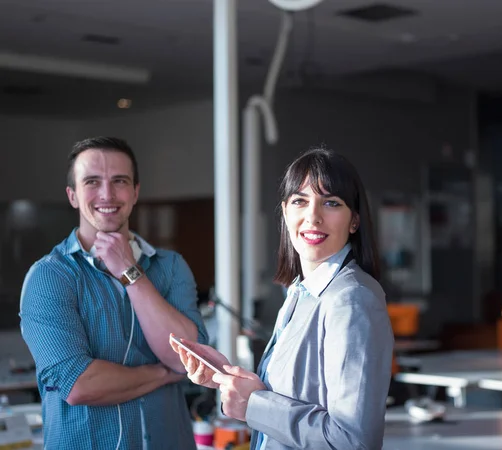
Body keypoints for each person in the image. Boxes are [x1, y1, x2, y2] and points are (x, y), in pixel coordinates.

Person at [171, 148, 393, 449]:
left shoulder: (351, 300)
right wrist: (227, 380)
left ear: (354, 221)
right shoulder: (300, 292)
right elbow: (292, 399)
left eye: (331, 203)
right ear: (286, 212)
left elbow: (352, 441)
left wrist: (253, 404)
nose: (313, 216)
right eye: (300, 201)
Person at [20, 137, 208, 449]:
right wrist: (163, 374)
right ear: (73, 196)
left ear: (135, 192)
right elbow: (79, 384)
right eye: (92, 182)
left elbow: (190, 360)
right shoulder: (49, 276)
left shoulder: (170, 266)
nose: (107, 194)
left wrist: (131, 273)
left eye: (119, 181)